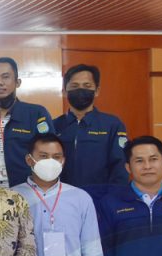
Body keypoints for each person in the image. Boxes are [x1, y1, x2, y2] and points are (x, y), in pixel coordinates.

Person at [0, 57, 55, 188]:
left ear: (17, 82)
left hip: (29, 190)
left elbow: (49, 155)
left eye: (5, 77)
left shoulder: (36, 113)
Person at [54, 64, 129, 196]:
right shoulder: (54, 125)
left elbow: (120, 166)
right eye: (75, 86)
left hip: (101, 198)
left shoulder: (112, 124)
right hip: (61, 198)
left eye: (87, 86)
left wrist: (113, 198)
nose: (81, 90)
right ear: (65, 91)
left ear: (97, 90)